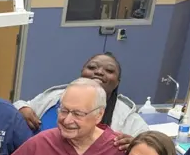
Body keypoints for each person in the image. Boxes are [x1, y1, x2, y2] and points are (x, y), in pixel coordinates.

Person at [14, 53, 148, 147]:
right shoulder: (54, 97)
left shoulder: (127, 116)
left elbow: (152, 144)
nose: (99, 72)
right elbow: (19, 106)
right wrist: (21, 108)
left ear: (117, 82)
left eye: (109, 70)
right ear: (82, 72)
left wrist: (136, 145)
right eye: (92, 67)